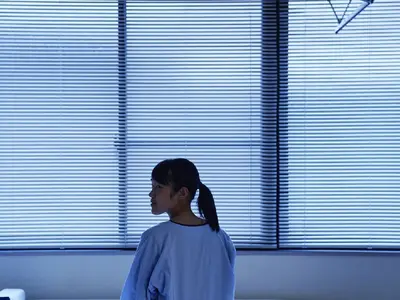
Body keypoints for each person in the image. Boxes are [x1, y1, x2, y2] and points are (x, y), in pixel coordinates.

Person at [120, 158, 236, 300]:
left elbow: (135, 293)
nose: (151, 194)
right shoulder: (221, 237)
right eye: (152, 186)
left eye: (158, 187)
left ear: (182, 193)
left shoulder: (155, 238)